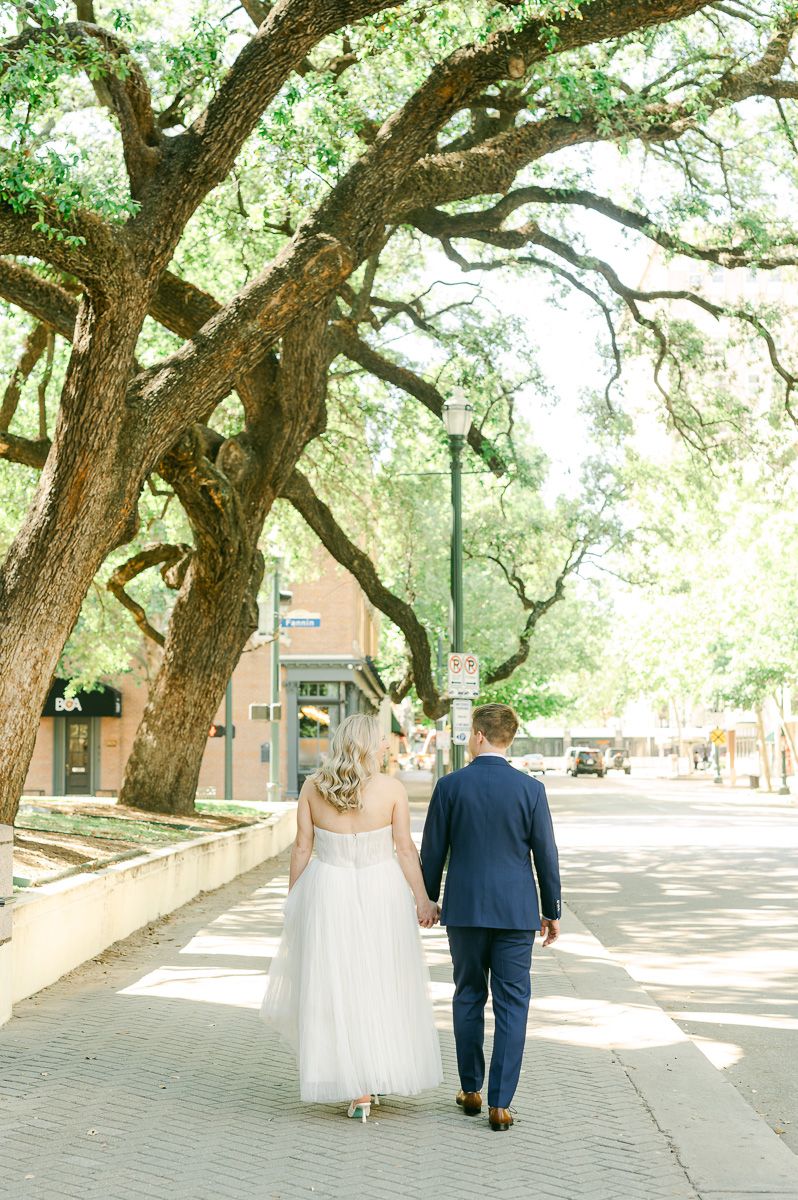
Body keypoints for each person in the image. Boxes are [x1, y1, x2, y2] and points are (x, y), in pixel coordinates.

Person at [260, 713, 443, 1121]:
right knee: (380, 981)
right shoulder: (391, 790)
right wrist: (423, 900)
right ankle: (370, 1076)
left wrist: (295, 900)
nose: (387, 746)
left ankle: (355, 1085)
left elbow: (302, 849)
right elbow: (405, 850)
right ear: (366, 745)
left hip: (328, 890)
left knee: (337, 984)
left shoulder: (312, 787)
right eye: (381, 740)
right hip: (381, 891)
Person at [421, 702, 561, 1132]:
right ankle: (501, 1104)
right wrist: (551, 910)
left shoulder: (450, 786)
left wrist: (428, 899)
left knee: (467, 995)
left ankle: (470, 1089)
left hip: (464, 910)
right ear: (508, 738)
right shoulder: (530, 790)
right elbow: (546, 855)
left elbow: (432, 851)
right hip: (517, 913)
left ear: (479, 735)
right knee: (513, 1003)